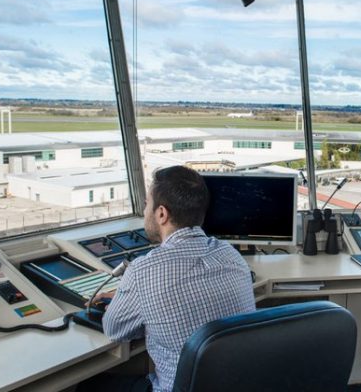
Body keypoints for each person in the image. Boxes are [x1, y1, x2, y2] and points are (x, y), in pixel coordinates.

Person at [85, 166, 256, 392]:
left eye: (147, 204)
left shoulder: (143, 271)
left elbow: (115, 330)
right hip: (236, 385)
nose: (145, 211)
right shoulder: (230, 254)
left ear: (162, 214)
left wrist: (126, 301)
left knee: (88, 384)